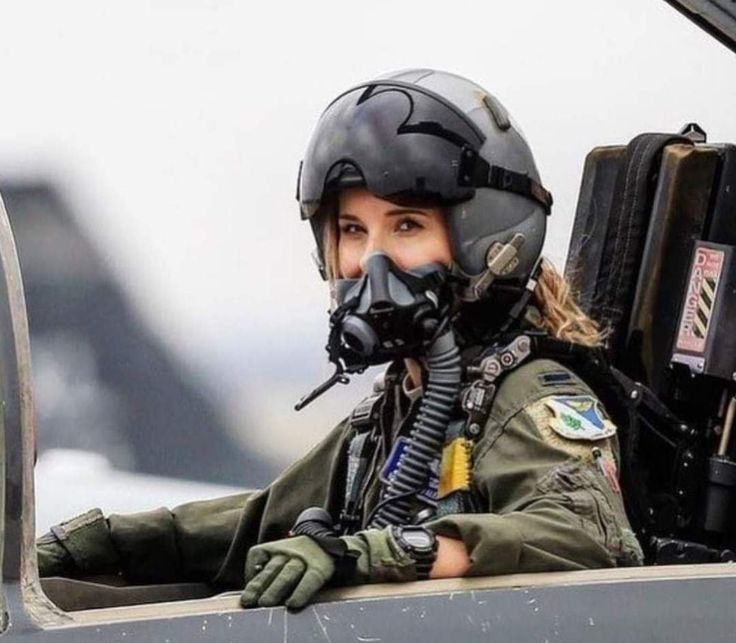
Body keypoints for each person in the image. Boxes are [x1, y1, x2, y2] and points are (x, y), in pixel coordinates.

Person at [37, 69, 643, 610]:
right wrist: (105, 542)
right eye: (352, 229)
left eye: (406, 225)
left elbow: (588, 535)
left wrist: (371, 554)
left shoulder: (530, 393)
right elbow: (258, 527)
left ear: (484, 238)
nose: (369, 261)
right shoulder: (398, 403)